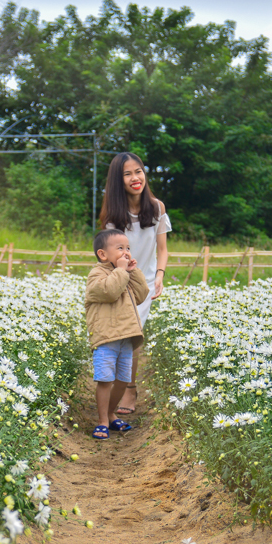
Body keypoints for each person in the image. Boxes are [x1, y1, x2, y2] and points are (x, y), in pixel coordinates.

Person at [100, 152, 171, 418]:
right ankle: (113, 389)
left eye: (138, 171)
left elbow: (162, 249)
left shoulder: (157, 208)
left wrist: (160, 274)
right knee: (122, 336)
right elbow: (111, 253)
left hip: (146, 283)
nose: (135, 178)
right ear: (119, 180)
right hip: (122, 281)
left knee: (133, 336)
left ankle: (130, 388)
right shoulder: (113, 214)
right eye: (127, 174)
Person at [85, 229, 150, 440]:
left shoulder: (124, 274)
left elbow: (141, 295)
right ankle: (103, 420)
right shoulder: (97, 274)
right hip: (107, 338)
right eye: (120, 248)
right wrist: (122, 272)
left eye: (128, 248)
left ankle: (112, 414)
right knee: (105, 380)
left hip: (126, 337)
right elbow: (110, 291)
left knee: (122, 379)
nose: (126, 252)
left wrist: (133, 271)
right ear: (103, 254)